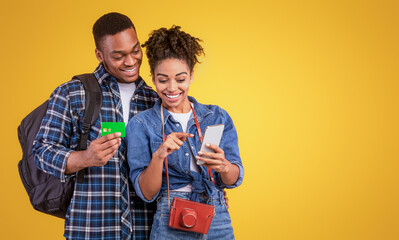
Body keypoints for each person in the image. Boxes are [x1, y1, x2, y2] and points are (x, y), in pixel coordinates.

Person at [33, 12, 158, 240]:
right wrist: (85, 158)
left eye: (135, 50)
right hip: (91, 228)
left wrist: (206, 194)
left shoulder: (154, 100)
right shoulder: (72, 93)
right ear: (100, 55)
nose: (130, 62)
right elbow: (41, 151)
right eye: (118, 56)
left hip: (147, 229)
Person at [126, 25, 244, 239]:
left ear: (191, 76)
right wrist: (159, 156)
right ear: (153, 78)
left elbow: (234, 178)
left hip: (216, 216)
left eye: (180, 79)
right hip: (170, 217)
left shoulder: (216, 116)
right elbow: (146, 193)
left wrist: (224, 166)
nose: (172, 88)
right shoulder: (141, 124)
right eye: (163, 80)